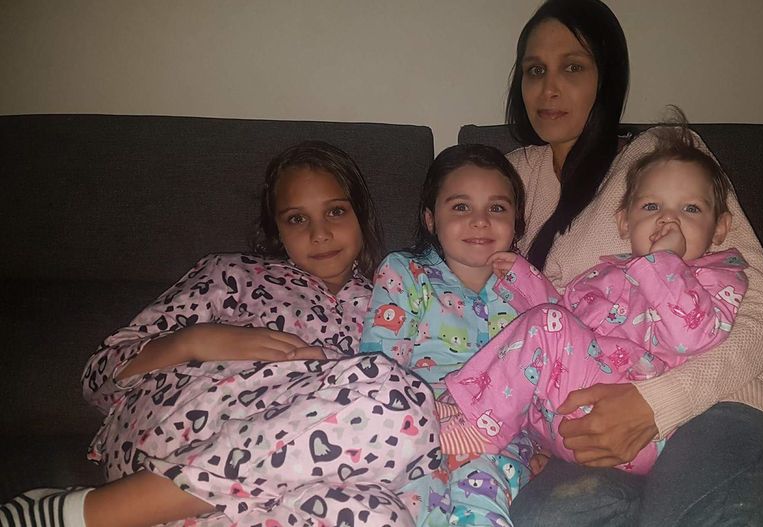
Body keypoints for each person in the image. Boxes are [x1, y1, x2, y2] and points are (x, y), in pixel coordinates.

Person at [498, 0, 763, 525]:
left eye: (573, 67)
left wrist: (656, 404)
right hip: (609, 433)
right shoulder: (508, 181)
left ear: (607, 79)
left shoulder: (663, 155)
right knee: (541, 517)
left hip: (724, 397)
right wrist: (528, 436)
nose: (548, 89)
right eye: (534, 70)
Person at [0, 141, 439, 527]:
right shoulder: (232, 273)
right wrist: (196, 340)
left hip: (289, 479)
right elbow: (97, 379)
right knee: (399, 397)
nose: (320, 233)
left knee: (381, 517)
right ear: (277, 229)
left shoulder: (395, 300)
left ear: (361, 215)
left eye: (336, 212)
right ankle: (90, 514)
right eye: (296, 218)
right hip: (179, 432)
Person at [440, 123, 749, 478]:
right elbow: (568, 323)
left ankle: (477, 429)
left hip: (634, 426)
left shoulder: (716, 278)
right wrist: (525, 281)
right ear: (625, 222)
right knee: (546, 328)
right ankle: (466, 411)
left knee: (547, 326)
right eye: (651, 206)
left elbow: (691, 338)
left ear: (720, 227)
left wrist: (663, 262)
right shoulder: (607, 273)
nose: (668, 219)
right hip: (573, 411)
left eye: (690, 209)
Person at [360, 143, 533, 526]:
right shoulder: (406, 273)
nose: (480, 221)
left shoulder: (528, 291)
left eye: (497, 208)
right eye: (460, 207)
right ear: (430, 219)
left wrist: (544, 444)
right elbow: (379, 368)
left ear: (516, 222)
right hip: (416, 429)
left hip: (496, 443)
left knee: (478, 493)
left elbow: (547, 377)